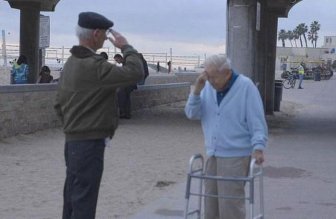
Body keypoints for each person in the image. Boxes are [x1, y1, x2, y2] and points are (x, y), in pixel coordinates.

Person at [54, 12, 144, 219]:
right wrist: (125, 46)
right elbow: (135, 72)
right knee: (84, 200)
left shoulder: (71, 63)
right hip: (89, 143)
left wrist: (73, 125)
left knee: (72, 196)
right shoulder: (95, 66)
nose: (106, 38)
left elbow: (58, 104)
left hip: (73, 141)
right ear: (95, 33)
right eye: (104, 33)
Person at [184, 54, 268, 219]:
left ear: (227, 73)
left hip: (236, 156)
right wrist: (196, 91)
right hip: (213, 154)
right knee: (211, 204)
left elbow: (257, 120)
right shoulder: (207, 87)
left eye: (214, 77)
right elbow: (191, 113)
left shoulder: (245, 86)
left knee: (230, 206)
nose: (211, 81)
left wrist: (258, 147)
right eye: (207, 76)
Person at [114, 53, 138, 119]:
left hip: (130, 84)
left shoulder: (126, 63)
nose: (117, 62)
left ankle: (126, 114)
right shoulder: (126, 63)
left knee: (124, 98)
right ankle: (127, 114)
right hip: (131, 83)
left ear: (119, 58)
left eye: (117, 60)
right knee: (127, 98)